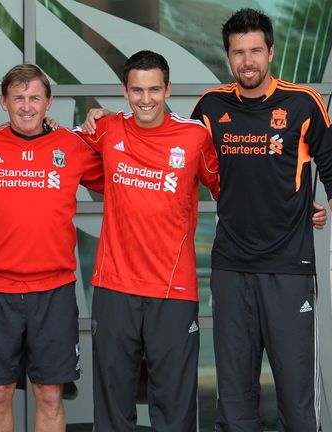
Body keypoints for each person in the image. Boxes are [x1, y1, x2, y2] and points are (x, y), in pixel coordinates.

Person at [188, 9, 332, 431]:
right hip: (230, 270)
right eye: (238, 52)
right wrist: (103, 121)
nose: (248, 61)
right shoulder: (210, 108)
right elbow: (169, 156)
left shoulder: (302, 103)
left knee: (298, 402)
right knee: (234, 402)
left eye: (255, 51)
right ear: (228, 56)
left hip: (289, 270)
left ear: (271, 52)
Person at [0, 64, 104, 432]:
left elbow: (117, 172)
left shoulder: (70, 145)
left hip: (52, 289)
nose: (26, 106)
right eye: (18, 98)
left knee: (50, 395)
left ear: (48, 102)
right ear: (3, 102)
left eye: (34, 97)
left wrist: (106, 125)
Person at [77, 50, 219, 431]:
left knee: (173, 404)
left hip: (173, 289)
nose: (145, 99)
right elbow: (57, 149)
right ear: (124, 90)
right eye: (137, 90)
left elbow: (233, 190)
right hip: (114, 286)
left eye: (154, 89)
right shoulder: (106, 128)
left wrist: (294, 210)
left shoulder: (194, 136)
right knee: (112, 402)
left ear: (167, 88)